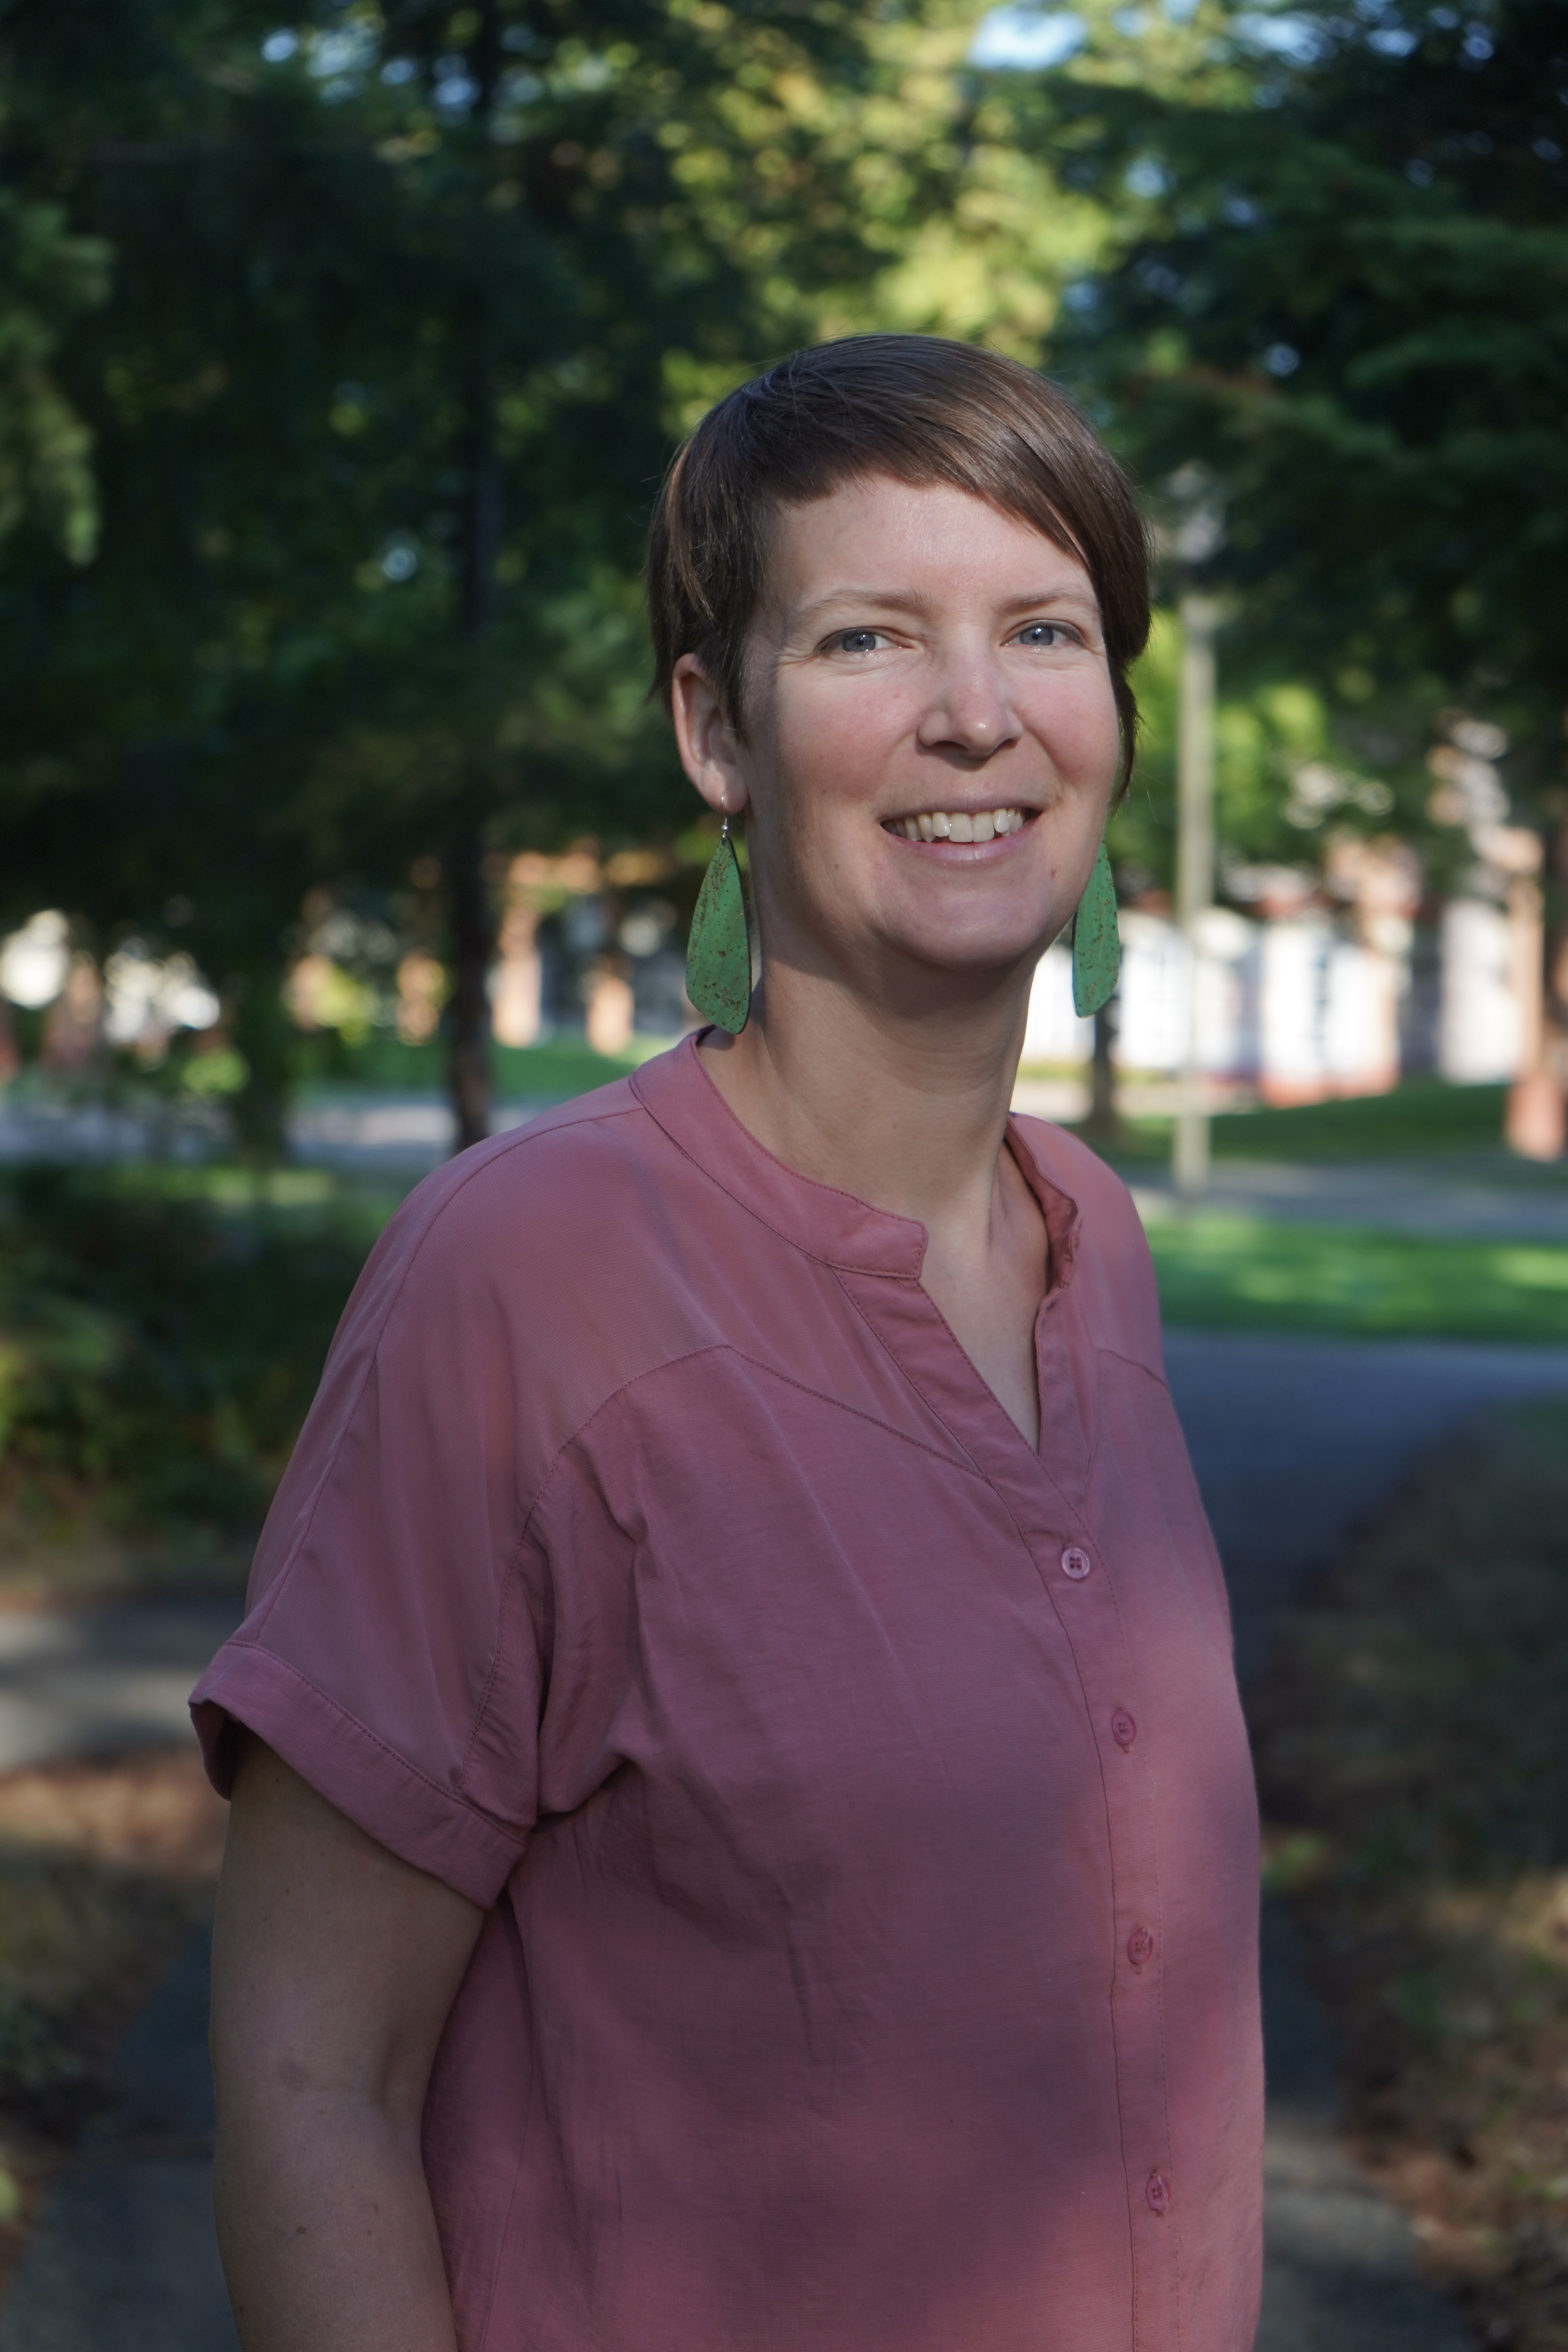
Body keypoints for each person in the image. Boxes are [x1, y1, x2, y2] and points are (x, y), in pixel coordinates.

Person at [195, 334, 1263, 2352]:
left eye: (1042, 629)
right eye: (868, 638)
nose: (974, 716)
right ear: (715, 727)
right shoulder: (525, 1274)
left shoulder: (1091, 1244)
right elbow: (307, 2082)